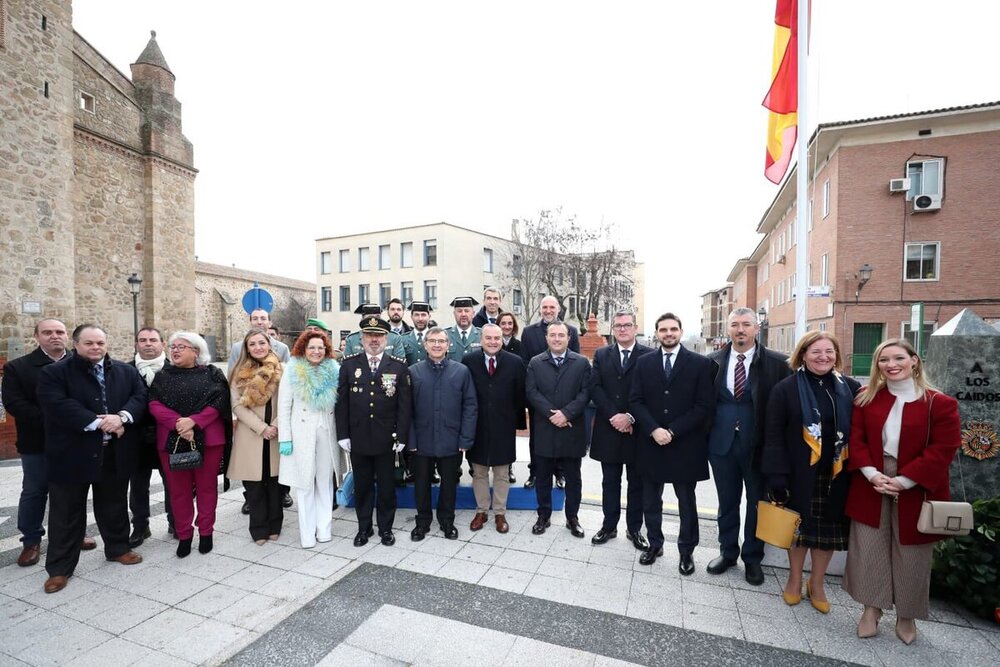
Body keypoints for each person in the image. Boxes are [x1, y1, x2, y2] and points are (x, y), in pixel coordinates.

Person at [843, 338, 961, 644]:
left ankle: (907, 617)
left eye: (898, 358)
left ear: (914, 361)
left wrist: (905, 481)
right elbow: (856, 440)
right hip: (872, 480)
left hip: (918, 485)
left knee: (912, 552)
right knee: (868, 547)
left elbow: (943, 448)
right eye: (884, 360)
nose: (891, 365)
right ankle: (871, 609)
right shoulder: (866, 397)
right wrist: (871, 474)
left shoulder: (939, 402)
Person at [35, 324, 147, 593]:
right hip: (71, 454)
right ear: (76, 344)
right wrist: (98, 423)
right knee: (66, 512)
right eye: (89, 343)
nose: (95, 347)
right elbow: (56, 404)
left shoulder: (126, 371)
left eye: (100, 343)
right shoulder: (54, 373)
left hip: (113, 453)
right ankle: (60, 568)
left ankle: (118, 548)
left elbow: (140, 397)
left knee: (114, 504)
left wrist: (121, 417)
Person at [762, 331, 861, 612]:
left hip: (837, 473)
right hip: (798, 472)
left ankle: (816, 583)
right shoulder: (786, 389)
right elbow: (773, 435)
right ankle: (794, 579)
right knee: (799, 531)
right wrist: (777, 475)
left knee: (826, 532)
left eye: (829, 351)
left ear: (837, 355)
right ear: (803, 354)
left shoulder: (851, 389)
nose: (823, 357)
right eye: (816, 351)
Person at [705, 308, 791, 585]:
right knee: (726, 502)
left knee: (757, 504)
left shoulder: (778, 364)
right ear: (728, 329)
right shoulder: (712, 362)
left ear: (757, 328)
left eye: (746, 324)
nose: (740, 330)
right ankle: (727, 552)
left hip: (758, 447)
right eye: (734, 325)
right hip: (722, 445)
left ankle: (753, 559)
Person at [2, 318, 97, 567]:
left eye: (59, 332)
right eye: (47, 332)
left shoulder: (83, 364)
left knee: (73, 491)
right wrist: (58, 417)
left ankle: (74, 535)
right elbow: (14, 404)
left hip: (76, 441)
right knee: (35, 491)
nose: (54, 336)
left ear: (68, 337)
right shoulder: (19, 367)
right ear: (37, 336)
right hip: (38, 442)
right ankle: (31, 540)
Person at [629, 312, 716, 571]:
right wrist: (654, 429)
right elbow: (635, 400)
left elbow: (704, 406)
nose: (668, 334)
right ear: (657, 333)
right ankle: (655, 543)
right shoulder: (643, 363)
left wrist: (673, 431)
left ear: (680, 331)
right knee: (650, 500)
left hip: (685, 444)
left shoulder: (700, 364)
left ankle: (687, 551)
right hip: (651, 442)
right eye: (663, 330)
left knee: (686, 500)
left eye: (673, 329)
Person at [149, 332, 232, 558]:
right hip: (172, 440)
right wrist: (178, 424)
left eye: (182, 347)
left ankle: (206, 532)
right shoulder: (162, 376)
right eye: (173, 346)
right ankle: (184, 534)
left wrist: (194, 421)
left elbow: (220, 401)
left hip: (208, 440)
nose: (175, 350)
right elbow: (153, 403)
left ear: (196, 351)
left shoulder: (212, 374)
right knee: (178, 492)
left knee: (206, 489)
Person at [336, 316, 412, 547]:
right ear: (362, 338)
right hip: (358, 438)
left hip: (387, 439)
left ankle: (386, 529)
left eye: (378, 335)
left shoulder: (398, 366)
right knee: (363, 486)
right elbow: (342, 403)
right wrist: (343, 434)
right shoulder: (349, 365)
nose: (374, 340)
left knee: (387, 488)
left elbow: (404, 405)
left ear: (386, 338)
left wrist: (401, 436)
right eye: (369, 335)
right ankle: (364, 528)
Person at [589, 311, 654, 550]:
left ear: (635, 328)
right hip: (609, 427)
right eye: (618, 326)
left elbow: (652, 392)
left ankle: (634, 528)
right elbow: (595, 387)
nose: (623, 329)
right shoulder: (602, 354)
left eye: (627, 325)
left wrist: (630, 417)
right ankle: (609, 525)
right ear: (613, 329)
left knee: (636, 483)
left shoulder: (649, 355)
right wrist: (614, 416)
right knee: (610, 482)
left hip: (637, 430)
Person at [277, 330, 346, 548]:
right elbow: (284, 406)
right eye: (311, 347)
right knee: (304, 483)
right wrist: (285, 439)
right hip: (301, 434)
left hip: (327, 431)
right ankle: (307, 534)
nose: (316, 351)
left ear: (326, 350)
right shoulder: (292, 370)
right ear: (303, 349)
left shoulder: (335, 370)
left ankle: (324, 529)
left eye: (320, 348)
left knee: (324, 482)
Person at [408, 327, 478, 540]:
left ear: (449, 345)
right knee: (421, 484)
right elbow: (406, 410)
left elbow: (470, 406)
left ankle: (447, 521)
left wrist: (465, 438)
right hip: (421, 440)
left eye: (441, 341)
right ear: (425, 344)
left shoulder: (461, 371)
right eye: (432, 341)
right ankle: (422, 522)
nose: (437, 345)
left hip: (451, 440)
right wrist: (410, 439)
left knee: (449, 484)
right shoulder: (413, 371)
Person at [526, 321, 592, 538]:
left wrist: (566, 414)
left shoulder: (582, 363)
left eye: (560, 335)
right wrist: (552, 414)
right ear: (546, 338)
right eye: (552, 335)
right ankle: (543, 515)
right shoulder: (536, 362)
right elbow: (532, 392)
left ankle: (572, 517)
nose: (556, 339)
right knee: (543, 475)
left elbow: (585, 393)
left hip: (572, 430)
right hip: (545, 428)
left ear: (568, 338)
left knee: (573, 477)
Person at [228, 308, 292, 516]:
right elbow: (236, 403)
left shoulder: (283, 366)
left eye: (262, 343)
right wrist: (261, 427)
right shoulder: (239, 369)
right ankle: (258, 525)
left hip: (277, 427)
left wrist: (275, 424)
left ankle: (275, 521)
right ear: (246, 347)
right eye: (252, 344)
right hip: (251, 429)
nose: (257, 347)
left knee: (276, 480)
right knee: (254, 480)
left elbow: (288, 398)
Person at [463, 324, 526, 533]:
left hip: (503, 426)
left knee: (501, 473)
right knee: (479, 472)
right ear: (481, 340)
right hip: (477, 426)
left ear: (502, 339)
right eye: (488, 338)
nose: (492, 342)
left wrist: (516, 424)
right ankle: (481, 510)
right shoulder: (469, 361)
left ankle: (500, 513)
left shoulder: (515, 362)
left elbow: (520, 395)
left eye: (496, 338)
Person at [519, 295, 580, 489]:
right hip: (539, 396)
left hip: (565, 396)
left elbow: (576, 362)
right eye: (544, 307)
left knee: (562, 436)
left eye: (551, 307)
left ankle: (560, 474)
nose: (548, 310)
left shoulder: (572, 331)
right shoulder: (528, 332)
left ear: (558, 310)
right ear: (540, 309)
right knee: (537, 437)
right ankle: (535, 472)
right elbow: (525, 362)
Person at [128, 326, 174, 545]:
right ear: (136, 344)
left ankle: (175, 521)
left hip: (168, 436)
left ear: (162, 344)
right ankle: (140, 526)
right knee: (137, 485)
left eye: (153, 340)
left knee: (173, 483)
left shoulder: (175, 370)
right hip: (135, 438)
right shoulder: (123, 370)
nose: (148, 344)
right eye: (143, 340)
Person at [342, 304, 407, 358]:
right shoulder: (352, 339)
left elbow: (399, 364)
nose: (374, 322)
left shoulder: (394, 338)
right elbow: (348, 365)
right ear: (362, 319)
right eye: (369, 318)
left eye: (377, 318)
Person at [445, 297, 482, 361]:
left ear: (473, 314)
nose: (463, 314)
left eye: (467, 311)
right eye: (459, 311)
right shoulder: (445, 335)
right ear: (454, 314)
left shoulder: (482, 334)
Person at [401, 301, 432, 366]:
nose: (420, 319)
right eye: (416, 315)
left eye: (423, 315)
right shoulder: (402, 339)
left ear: (429, 316)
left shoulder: (436, 338)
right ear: (412, 317)